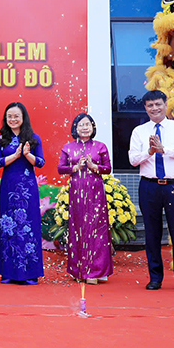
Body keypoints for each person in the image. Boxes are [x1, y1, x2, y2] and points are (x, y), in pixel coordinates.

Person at [128, 90, 174, 292]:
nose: (154, 108)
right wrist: (149, 152)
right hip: (149, 186)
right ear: (145, 108)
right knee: (152, 233)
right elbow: (132, 160)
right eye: (150, 105)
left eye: (158, 104)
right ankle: (155, 278)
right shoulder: (139, 131)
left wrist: (164, 149)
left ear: (166, 105)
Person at [0, 101, 45, 285]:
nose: (13, 119)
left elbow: (40, 162)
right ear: (5, 119)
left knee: (28, 227)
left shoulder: (33, 137)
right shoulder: (1, 139)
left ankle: (29, 273)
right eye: (9, 116)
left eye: (16, 116)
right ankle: (8, 272)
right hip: (8, 189)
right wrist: (15, 155)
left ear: (23, 118)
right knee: (8, 229)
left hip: (28, 189)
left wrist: (28, 154)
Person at [58, 113, 112, 284]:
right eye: (81, 125)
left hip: (95, 192)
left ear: (93, 127)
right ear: (75, 128)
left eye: (88, 124)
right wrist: (76, 167)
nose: (85, 127)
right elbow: (61, 169)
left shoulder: (100, 146)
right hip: (76, 192)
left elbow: (108, 168)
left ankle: (96, 272)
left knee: (96, 229)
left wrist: (94, 166)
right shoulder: (68, 147)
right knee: (78, 227)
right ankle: (79, 270)